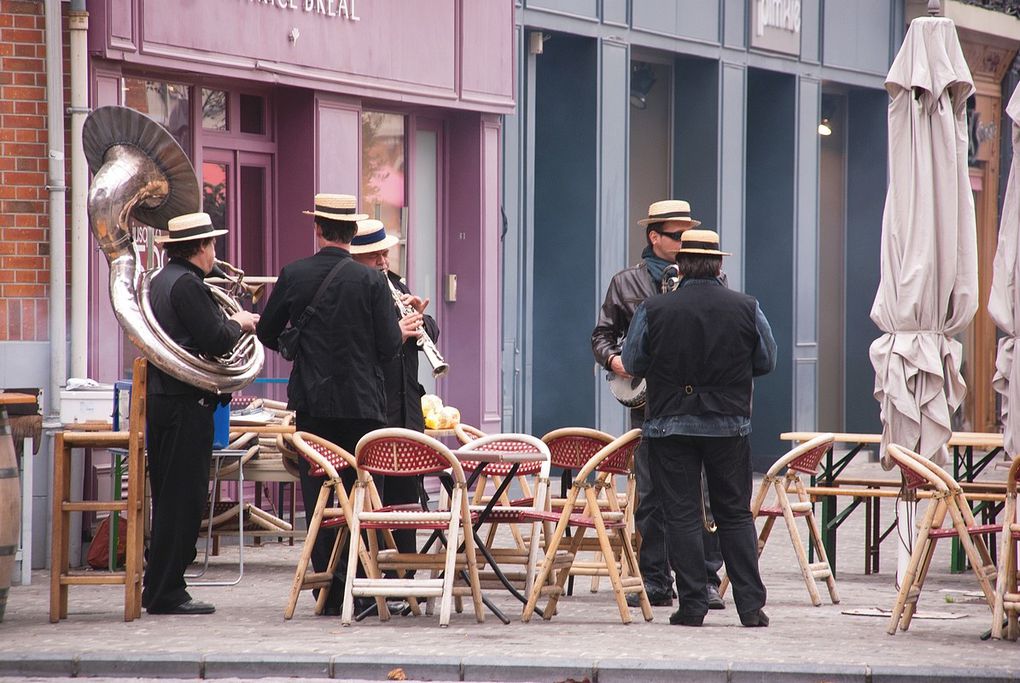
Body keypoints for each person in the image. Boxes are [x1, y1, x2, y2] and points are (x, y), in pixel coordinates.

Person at [621, 229, 776, 627]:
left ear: (681, 265)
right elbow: (766, 360)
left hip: (670, 424)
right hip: (729, 424)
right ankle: (750, 607)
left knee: (681, 514)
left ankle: (692, 604)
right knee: (735, 514)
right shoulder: (746, 306)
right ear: (719, 263)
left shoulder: (654, 309)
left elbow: (634, 362)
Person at [256, 193, 402, 615]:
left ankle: (328, 589)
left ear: (317, 230)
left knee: (319, 493)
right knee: (359, 495)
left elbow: (267, 332)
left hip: (314, 404)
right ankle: (358, 583)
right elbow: (390, 346)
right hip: (363, 407)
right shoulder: (372, 281)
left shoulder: (294, 274)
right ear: (353, 234)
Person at [591, 199, 724, 610]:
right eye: (677, 236)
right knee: (649, 494)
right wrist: (617, 362)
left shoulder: (706, 278)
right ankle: (654, 581)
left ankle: (704, 581)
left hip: (696, 403)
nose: (686, 242)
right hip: (648, 406)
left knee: (702, 494)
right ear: (655, 237)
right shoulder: (625, 283)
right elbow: (601, 335)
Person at [143, 211, 260, 615]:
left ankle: (161, 585)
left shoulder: (160, 281)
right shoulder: (189, 285)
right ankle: (167, 591)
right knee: (184, 498)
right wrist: (239, 322)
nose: (215, 251)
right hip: (185, 402)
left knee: (169, 495)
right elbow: (214, 337)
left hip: (163, 400)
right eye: (212, 244)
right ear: (202, 247)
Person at [349, 218, 439, 555]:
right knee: (378, 497)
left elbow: (426, 332)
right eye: (376, 257)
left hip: (407, 408)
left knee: (407, 500)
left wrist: (421, 318)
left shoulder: (395, 284)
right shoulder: (356, 291)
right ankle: (379, 573)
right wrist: (396, 331)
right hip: (376, 408)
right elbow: (359, 343)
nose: (384, 262)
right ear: (357, 258)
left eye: (385, 254)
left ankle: (406, 571)